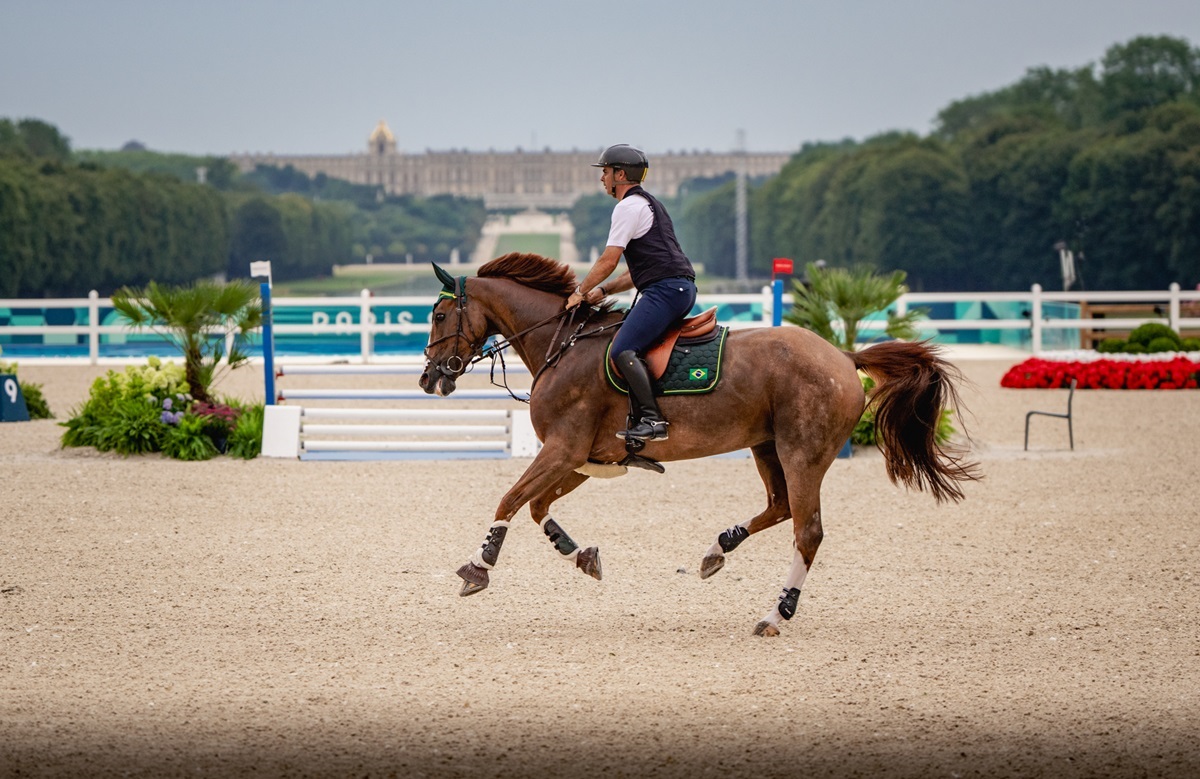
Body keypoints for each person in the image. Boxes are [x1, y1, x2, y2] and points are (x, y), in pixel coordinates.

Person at [565, 144, 697, 441]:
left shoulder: (626, 207)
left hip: (665, 290)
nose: (602, 179)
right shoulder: (650, 204)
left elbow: (609, 260)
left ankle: (652, 420)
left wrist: (579, 290)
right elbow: (634, 273)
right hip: (677, 287)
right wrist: (603, 289)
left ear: (620, 174)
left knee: (622, 349)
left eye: (606, 172)